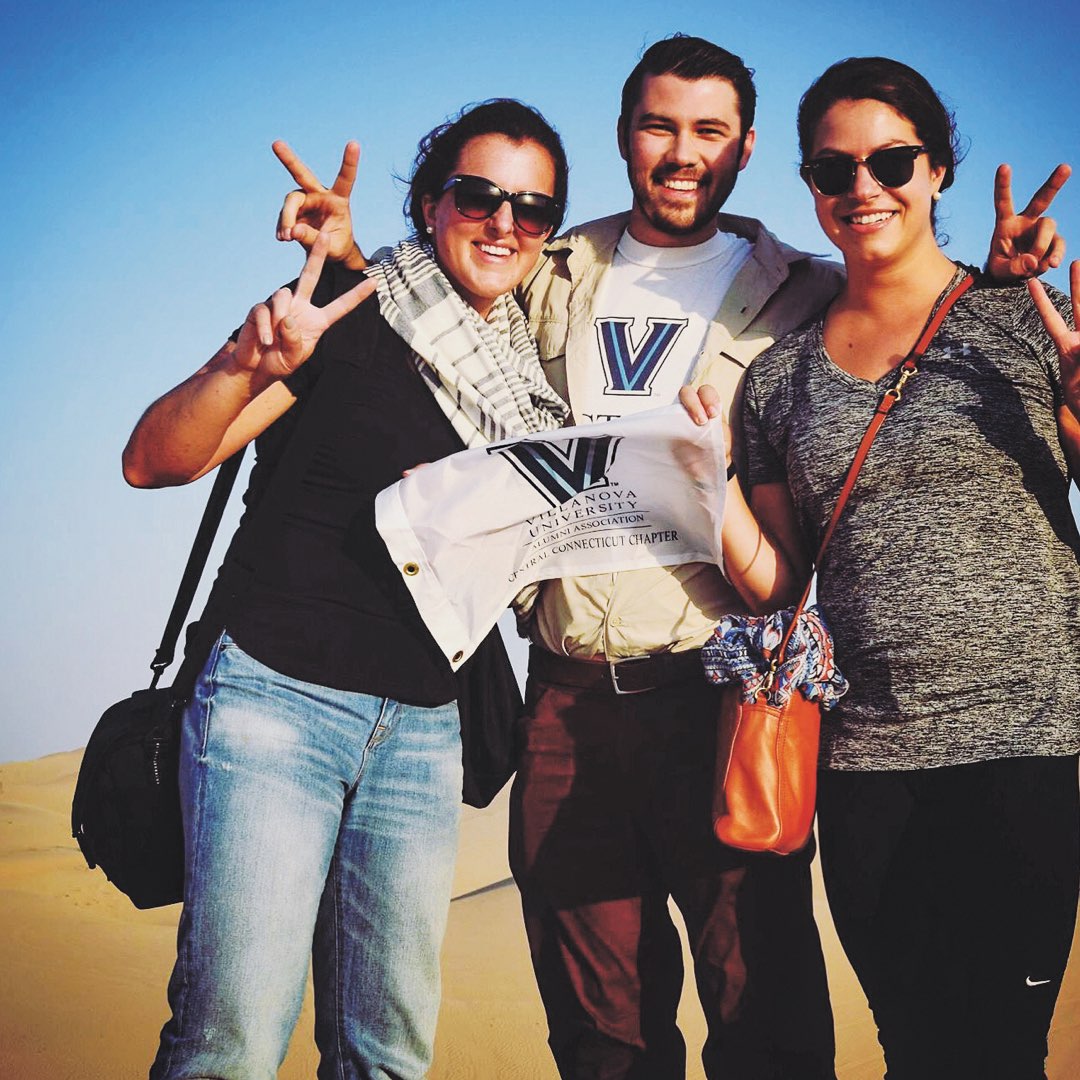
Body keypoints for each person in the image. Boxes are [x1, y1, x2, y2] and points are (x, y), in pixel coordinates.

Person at [272, 36, 1064, 1080]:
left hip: (726, 699)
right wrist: (362, 256)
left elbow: (908, 290)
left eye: (709, 131)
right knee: (601, 1037)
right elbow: (443, 307)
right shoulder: (548, 269)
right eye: (659, 126)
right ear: (624, 137)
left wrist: (1003, 288)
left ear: (743, 153)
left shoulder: (809, 293)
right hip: (565, 702)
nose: (681, 153)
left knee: (767, 1025)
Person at [122, 98, 570, 1080]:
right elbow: (155, 460)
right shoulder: (339, 314)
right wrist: (247, 363)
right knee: (230, 1043)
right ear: (430, 201)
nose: (504, 223)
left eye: (532, 209)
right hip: (275, 704)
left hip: (422, 732)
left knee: (387, 1058)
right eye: (480, 195)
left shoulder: (531, 383)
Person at [684, 56, 1079, 1080]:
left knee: (1001, 1051)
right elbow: (779, 581)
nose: (863, 188)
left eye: (891, 160)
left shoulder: (1022, 320)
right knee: (913, 1051)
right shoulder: (779, 378)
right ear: (811, 185)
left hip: (1027, 750)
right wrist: (706, 480)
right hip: (866, 773)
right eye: (833, 169)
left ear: (938, 168)